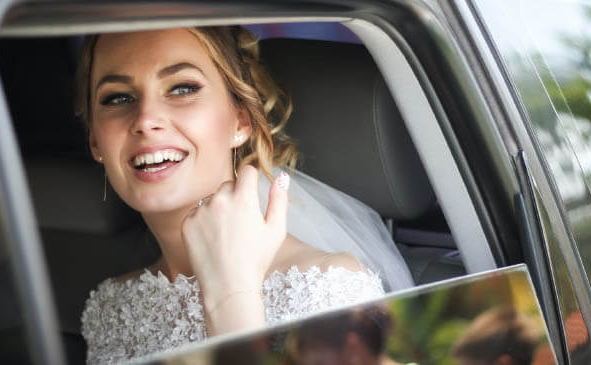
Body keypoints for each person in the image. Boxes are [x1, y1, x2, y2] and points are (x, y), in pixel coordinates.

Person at [77, 26, 413, 364]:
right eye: (118, 98)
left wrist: (231, 300)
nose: (146, 119)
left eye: (182, 88)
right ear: (95, 141)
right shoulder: (111, 308)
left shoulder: (330, 291)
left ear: (240, 120)